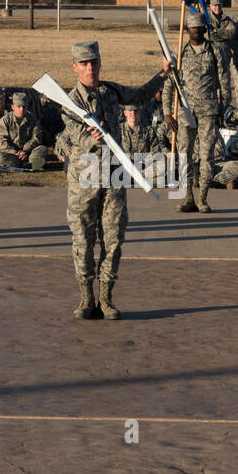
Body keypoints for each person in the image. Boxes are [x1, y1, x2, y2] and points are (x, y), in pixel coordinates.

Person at [61, 40, 167, 320]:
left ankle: (106, 298)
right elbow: (74, 136)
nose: (90, 68)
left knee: (113, 239)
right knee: (83, 240)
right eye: (84, 63)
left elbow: (140, 96)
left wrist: (162, 75)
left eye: (93, 62)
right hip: (84, 180)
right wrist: (92, 138)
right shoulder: (68, 100)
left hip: (113, 178)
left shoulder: (111, 91)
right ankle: (86, 298)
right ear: (75, 67)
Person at [161, 11, 238, 213]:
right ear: (187, 30)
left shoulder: (215, 51)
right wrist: (167, 113)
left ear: (205, 29)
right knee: (184, 155)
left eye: (199, 27)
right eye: (192, 27)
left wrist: (224, 108)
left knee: (206, 156)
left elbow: (224, 82)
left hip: (208, 111)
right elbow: (169, 85)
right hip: (185, 112)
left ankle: (202, 198)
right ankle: (187, 197)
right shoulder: (180, 54)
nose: (196, 30)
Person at [0, 92, 49, 171]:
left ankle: (25, 164)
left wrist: (25, 151)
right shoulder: (5, 120)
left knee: (42, 149)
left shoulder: (33, 119)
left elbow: (37, 138)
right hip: (12, 154)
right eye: (19, 106)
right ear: (13, 107)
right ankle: (30, 165)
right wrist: (15, 152)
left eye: (24, 107)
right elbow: (0, 142)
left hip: (29, 152)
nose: (22, 109)